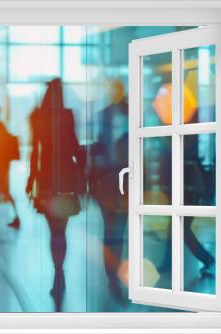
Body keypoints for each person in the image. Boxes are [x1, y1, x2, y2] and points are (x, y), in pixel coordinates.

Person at [26, 78, 82, 312]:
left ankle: (57, 273)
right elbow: (74, 147)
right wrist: (83, 177)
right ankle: (60, 272)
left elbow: (34, 149)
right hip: (66, 178)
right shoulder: (67, 115)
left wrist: (31, 179)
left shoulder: (38, 116)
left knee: (53, 232)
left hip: (47, 178)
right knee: (62, 231)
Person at [90, 80, 129, 305]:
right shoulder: (126, 114)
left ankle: (112, 276)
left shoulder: (107, 115)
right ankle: (112, 276)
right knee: (116, 232)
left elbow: (100, 147)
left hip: (112, 181)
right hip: (115, 181)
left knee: (113, 232)